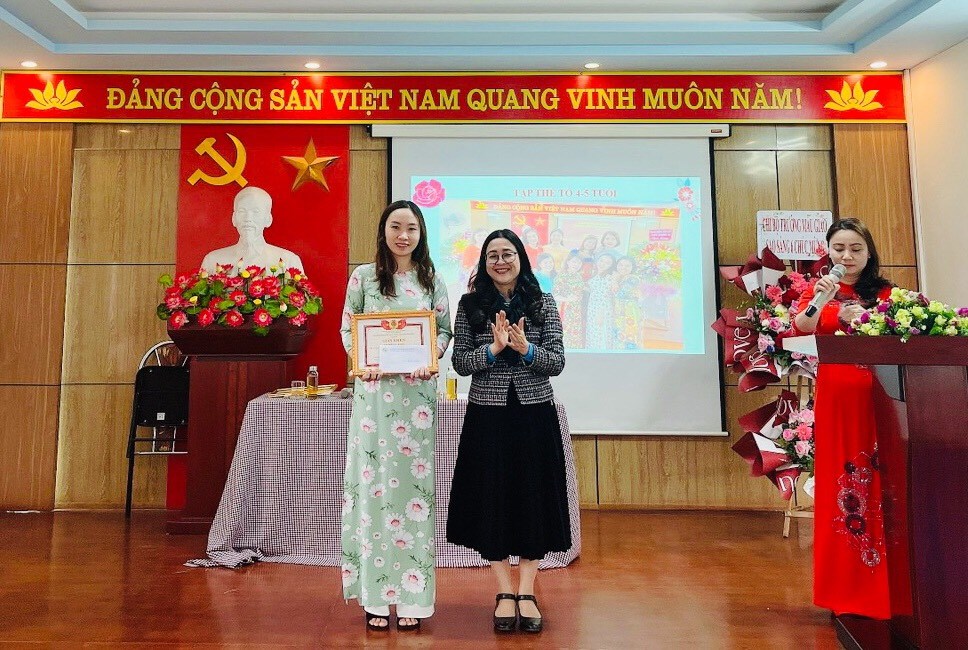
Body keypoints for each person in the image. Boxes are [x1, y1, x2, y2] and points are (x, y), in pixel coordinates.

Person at [447, 229, 570, 635]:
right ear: (484, 262)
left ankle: (527, 590)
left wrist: (525, 349)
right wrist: (494, 349)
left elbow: (557, 362)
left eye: (508, 254)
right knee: (491, 498)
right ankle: (503, 589)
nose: (500, 261)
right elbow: (460, 363)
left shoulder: (542, 303)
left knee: (534, 498)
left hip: (535, 413)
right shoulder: (469, 305)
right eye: (493, 255)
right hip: (488, 414)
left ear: (521, 258)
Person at [338, 200, 453, 631]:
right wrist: (361, 360)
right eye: (395, 227)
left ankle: (413, 600)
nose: (403, 235)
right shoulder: (363, 277)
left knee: (412, 496)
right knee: (372, 492)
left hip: (416, 400)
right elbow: (348, 327)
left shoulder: (432, 279)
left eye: (411, 228)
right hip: (373, 399)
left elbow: (444, 330)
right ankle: (374, 596)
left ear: (421, 234)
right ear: (383, 231)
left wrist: (431, 357)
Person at [792, 217, 893, 620]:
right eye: (838, 248)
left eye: (855, 248)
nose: (846, 256)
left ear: (869, 253)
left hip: (882, 394)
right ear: (828, 252)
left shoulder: (887, 293)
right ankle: (845, 590)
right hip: (837, 397)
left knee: (883, 484)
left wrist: (863, 317)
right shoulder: (819, 289)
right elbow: (801, 327)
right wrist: (824, 300)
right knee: (843, 483)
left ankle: (886, 588)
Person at [200, 186, 304, 273]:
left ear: (268, 219)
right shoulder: (213, 261)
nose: (248, 218)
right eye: (242, 211)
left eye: (256, 211)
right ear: (233, 218)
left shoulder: (288, 261)